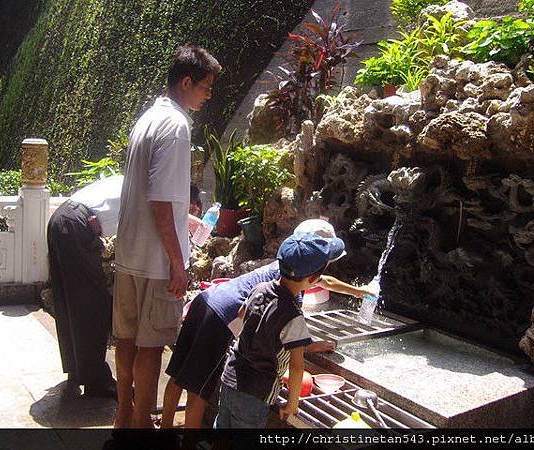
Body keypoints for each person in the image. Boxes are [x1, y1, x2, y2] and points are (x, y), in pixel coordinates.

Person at [161, 219, 375, 428]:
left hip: (207, 300)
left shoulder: (286, 267)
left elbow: (322, 282)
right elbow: (280, 334)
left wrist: (359, 291)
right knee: (199, 387)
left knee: (180, 372)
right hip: (221, 318)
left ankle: (166, 425)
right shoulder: (290, 295)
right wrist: (305, 347)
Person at [112, 45, 221, 429]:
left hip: (128, 253)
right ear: (186, 82)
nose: (209, 94)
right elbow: (160, 200)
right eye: (205, 86)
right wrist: (178, 261)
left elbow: (151, 196)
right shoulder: (176, 125)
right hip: (157, 262)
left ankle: (124, 416)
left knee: (125, 340)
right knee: (151, 346)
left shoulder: (147, 118)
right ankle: (142, 428)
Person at [214, 232, 345, 428]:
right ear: (314, 279)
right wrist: (292, 405)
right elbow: (297, 366)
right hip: (257, 392)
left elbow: (241, 315)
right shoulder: (293, 316)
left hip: (230, 377)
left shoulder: (259, 288)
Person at [47, 175, 123, 399]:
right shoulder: (144, 188)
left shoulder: (127, 179)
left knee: (68, 300)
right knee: (93, 305)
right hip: (77, 226)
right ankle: (96, 379)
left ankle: (76, 368)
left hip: (62, 219)